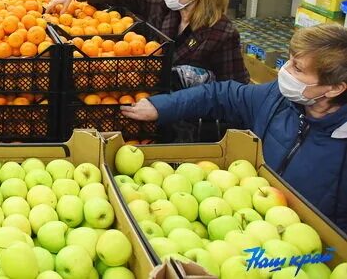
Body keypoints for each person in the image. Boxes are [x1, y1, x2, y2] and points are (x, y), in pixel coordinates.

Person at [122, 24, 347, 231]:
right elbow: (222, 95)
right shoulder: (276, 99)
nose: (284, 71)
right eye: (288, 61)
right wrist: (161, 106)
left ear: (335, 88)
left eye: (297, 69)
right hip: (247, 221)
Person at [46, 0, 248, 85]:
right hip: (146, 96)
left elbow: (235, 89)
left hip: (189, 116)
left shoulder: (222, 33)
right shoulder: (163, 5)